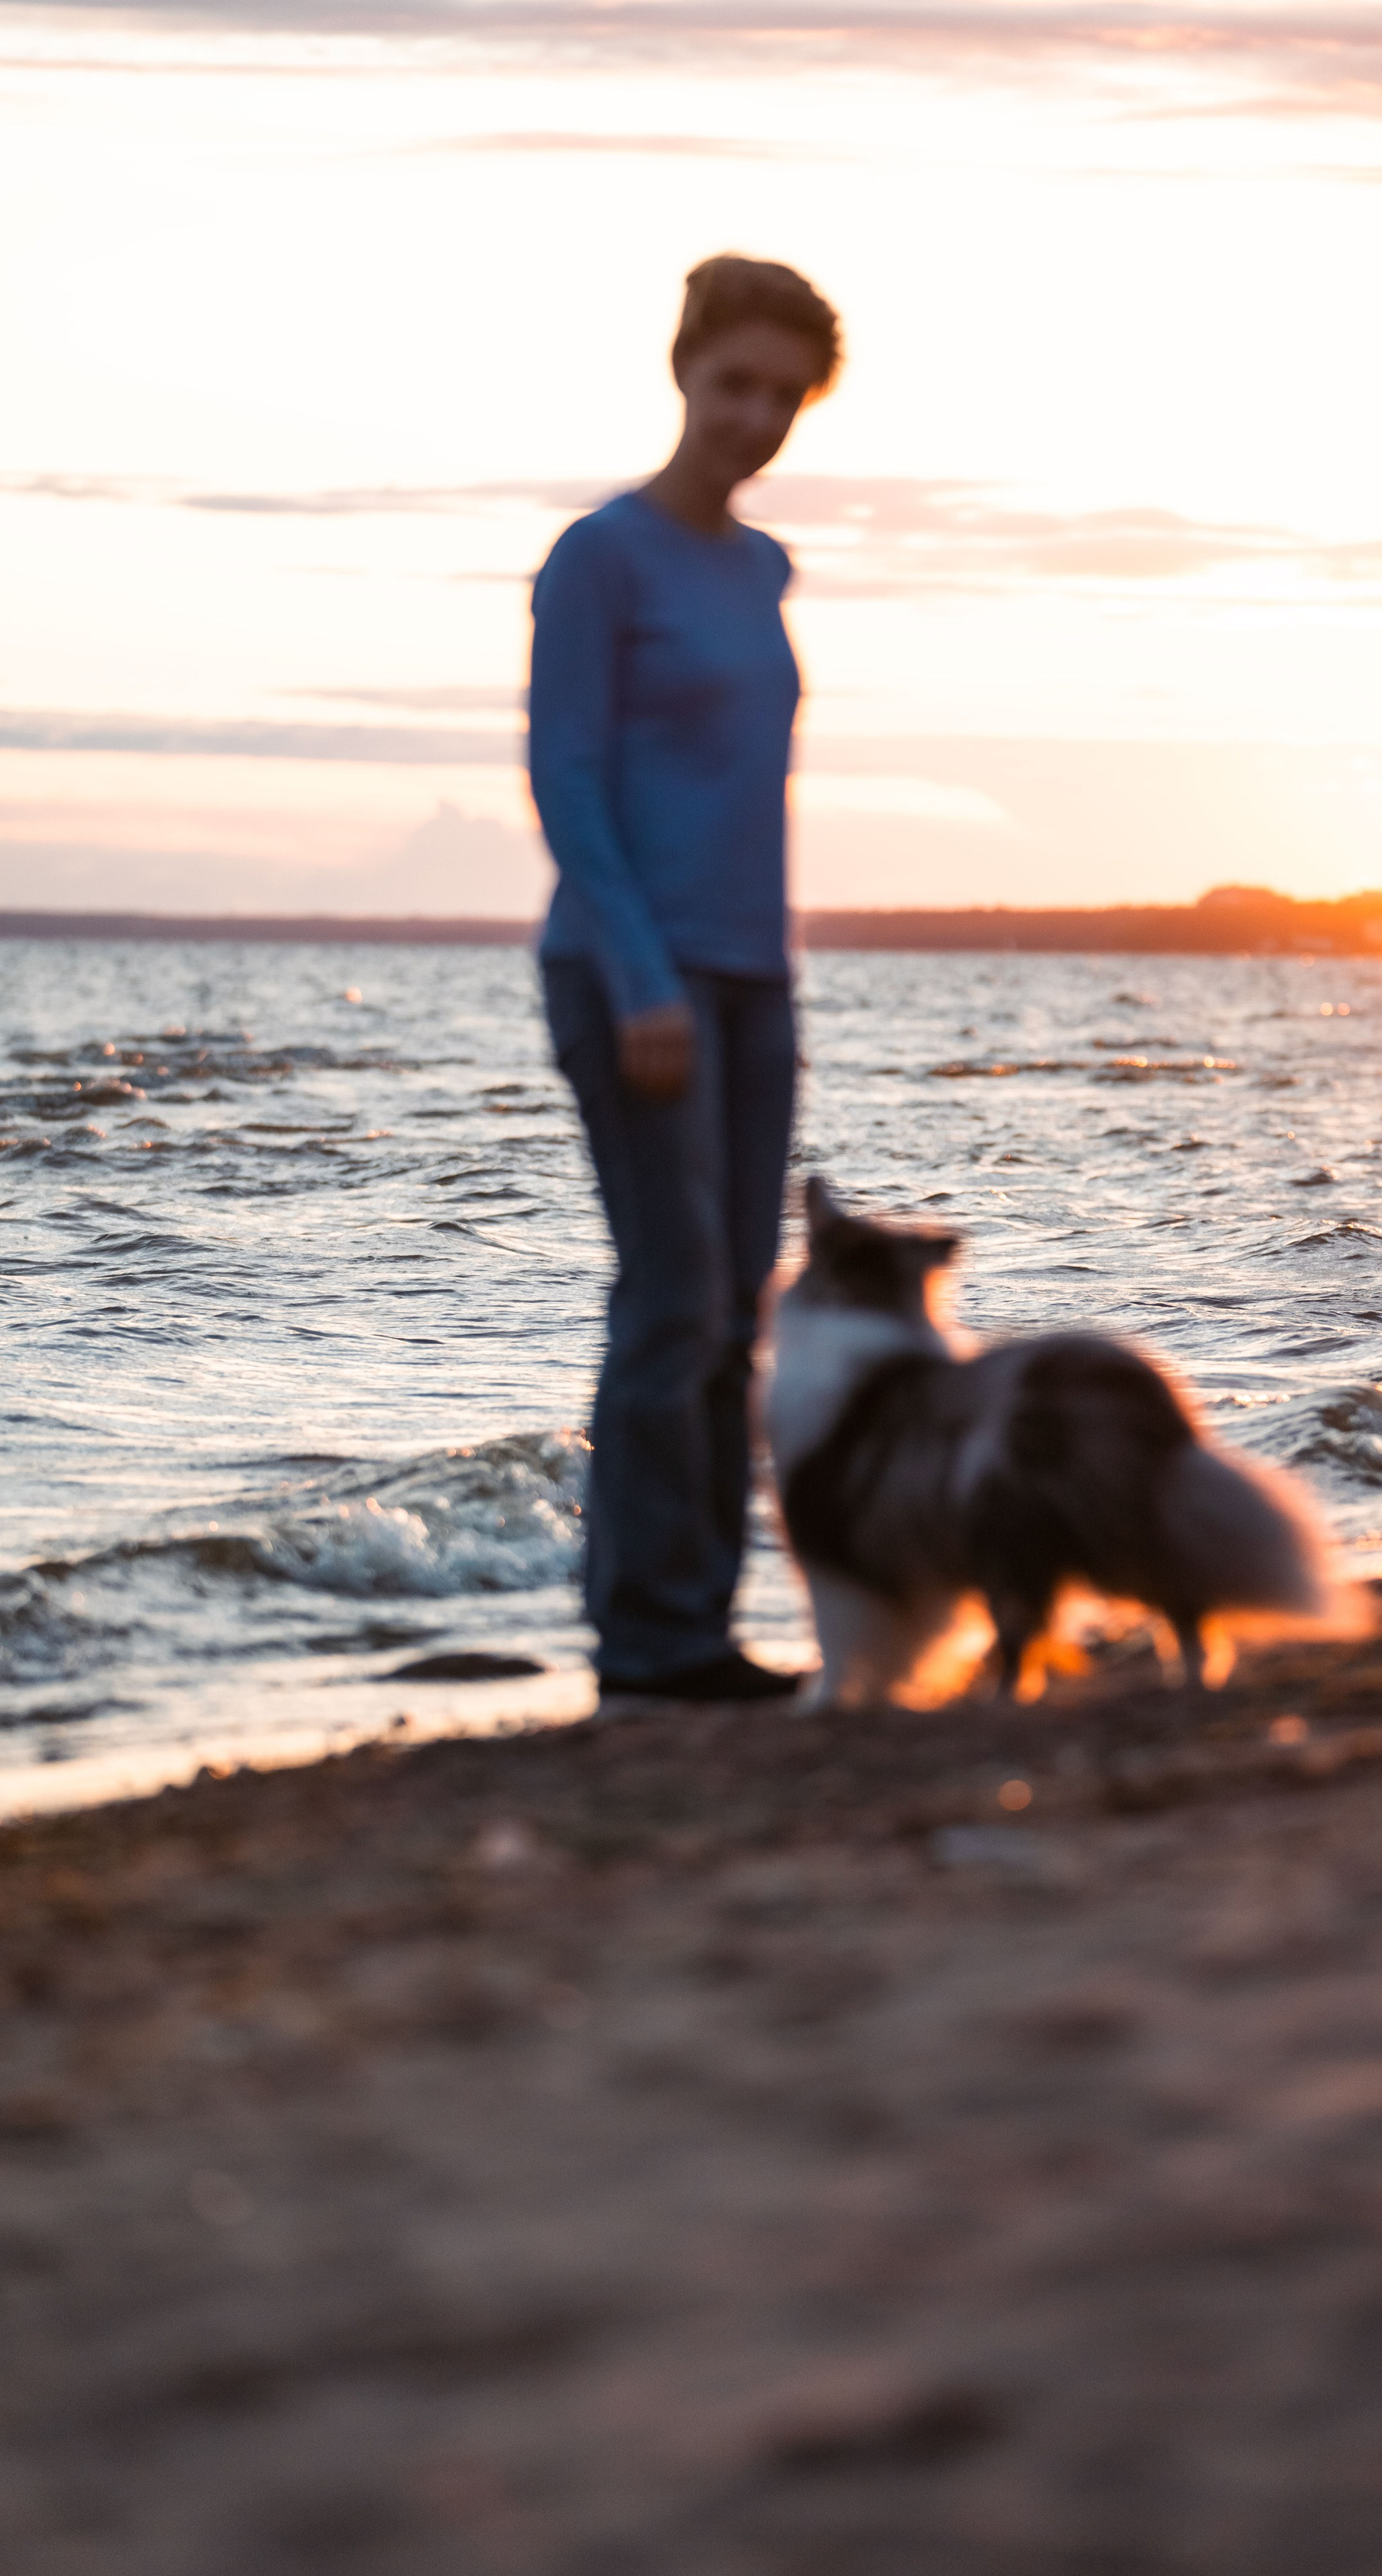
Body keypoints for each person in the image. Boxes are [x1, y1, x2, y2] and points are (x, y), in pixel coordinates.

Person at [528, 253, 841, 1700]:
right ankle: (645, 1639)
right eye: (735, 385)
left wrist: (743, 976)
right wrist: (644, 978)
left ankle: (697, 1624)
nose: (754, 418)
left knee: (731, 1309)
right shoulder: (600, 558)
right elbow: (568, 778)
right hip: (630, 977)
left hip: (750, 981)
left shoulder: (762, 566)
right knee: (669, 1296)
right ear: (682, 372)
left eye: (782, 396)